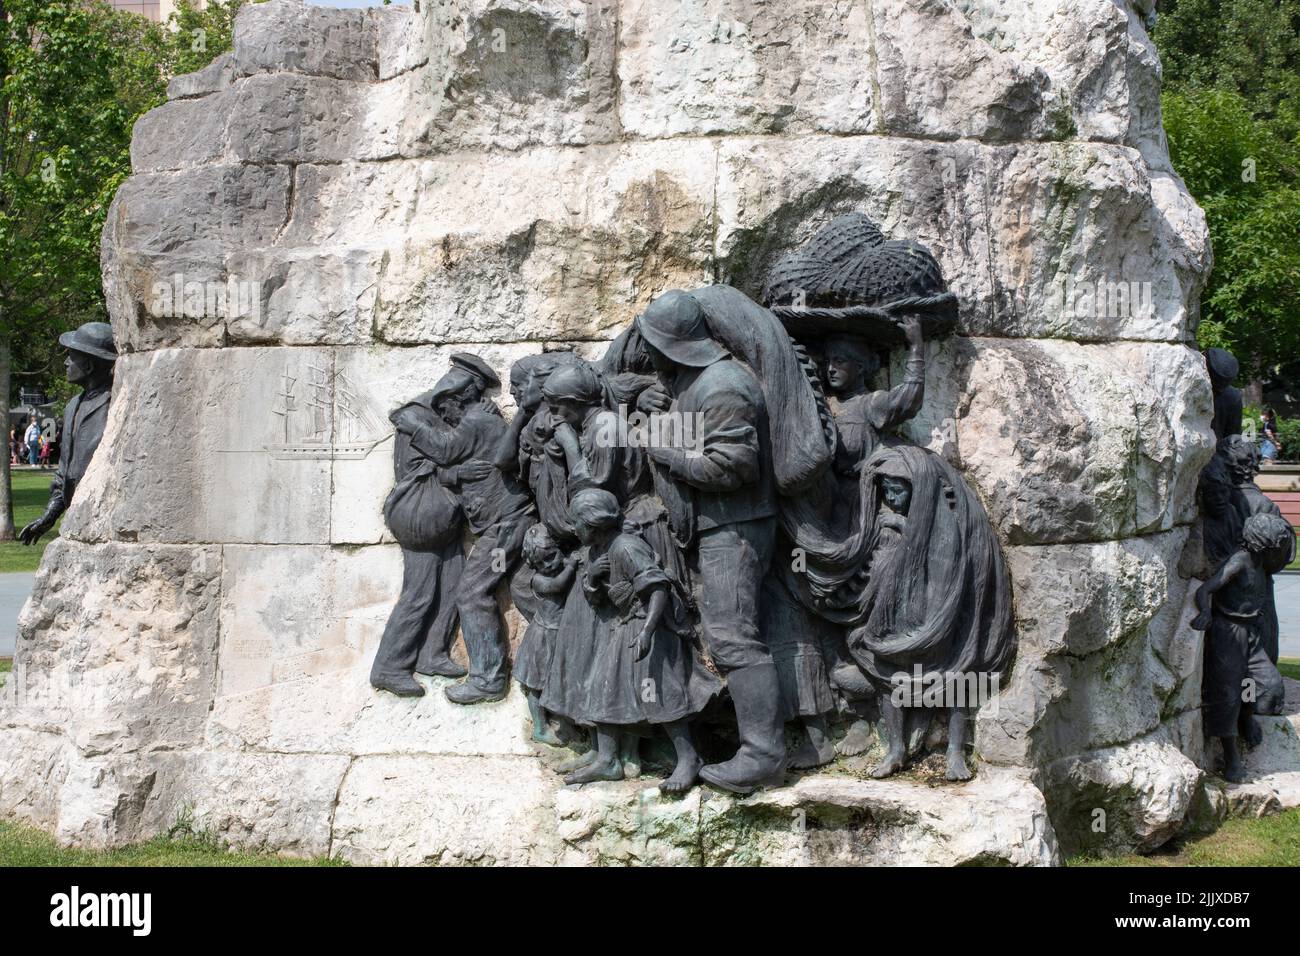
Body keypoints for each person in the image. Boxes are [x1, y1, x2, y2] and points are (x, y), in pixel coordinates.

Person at [634, 290, 787, 794]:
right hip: (717, 527)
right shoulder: (697, 382)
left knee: (733, 637)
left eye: (653, 345)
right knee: (728, 634)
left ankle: (763, 756)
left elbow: (732, 467)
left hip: (734, 528)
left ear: (671, 345)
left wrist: (664, 453)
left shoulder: (724, 386)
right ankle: (756, 748)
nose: (648, 355)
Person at [391, 354, 536, 705]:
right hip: (506, 526)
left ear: (459, 398)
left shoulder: (476, 423)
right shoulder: (479, 421)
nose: (445, 417)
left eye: (446, 408)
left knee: (471, 594)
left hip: (505, 531)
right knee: (529, 596)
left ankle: (488, 678)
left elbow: (444, 449)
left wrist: (410, 421)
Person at [555, 488, 720, 791]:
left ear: (592, 524)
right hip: (628, 624)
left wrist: (647, 632)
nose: (573, 529)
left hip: (651, 627)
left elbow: (657, 589)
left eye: (576, 523)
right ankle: (607, 760)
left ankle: (689, 758)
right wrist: (591, 578)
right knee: (600, 686)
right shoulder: (599, 552)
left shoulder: (626, 547)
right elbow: (602, 600)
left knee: (659, 691)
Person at [1191, 512, 1294, 783]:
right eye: (1276, 543)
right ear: (1263, 543)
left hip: (1251, 633)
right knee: (1227, 693)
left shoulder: (1261, 563)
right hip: (1229, 633)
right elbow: (1205, 590)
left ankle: (1246, 716)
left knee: (1263, 683)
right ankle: (1231, 757)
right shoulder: (1239, 562)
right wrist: (1205, 614)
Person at [21, 323, 116, 545]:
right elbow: (65, 472)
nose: (66, 363)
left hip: (106, 513)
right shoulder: (73, 405)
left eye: (71, 357)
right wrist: (49, 516)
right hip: (79, 516)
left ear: (89, 365)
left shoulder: (116, 401)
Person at [513, 524, 575, 746]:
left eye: (551, 557)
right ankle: (540, 727)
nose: (548, 565)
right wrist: (571, 566)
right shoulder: (539, 579)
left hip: (557, 637)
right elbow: (558, 586)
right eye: (540, 562)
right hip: (543, 639)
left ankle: (564, 723)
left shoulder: (559, 566)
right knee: (537, 686)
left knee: (559, 682)